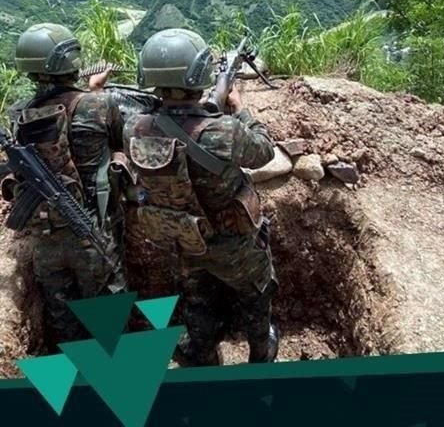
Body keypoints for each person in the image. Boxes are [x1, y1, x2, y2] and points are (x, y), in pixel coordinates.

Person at [125, 28, 279, 366]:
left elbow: (174, 125)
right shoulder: (224, 130)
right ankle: (260, 352)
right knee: (256, 295)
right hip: (235, 244)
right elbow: (264, 150)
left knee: (198, 301)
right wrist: (239, 109)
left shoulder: (134, 128)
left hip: (184, 240)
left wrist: (207, 105)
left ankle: (203, 358)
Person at [6, 23, 127, 346]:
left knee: (63, 321)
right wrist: (95, 91)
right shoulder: (99, 104)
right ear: (69, 60)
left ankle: (74, 385)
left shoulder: (18, 114)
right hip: (92, 232)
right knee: (109, 323)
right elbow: (119, 143)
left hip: (45, 240)